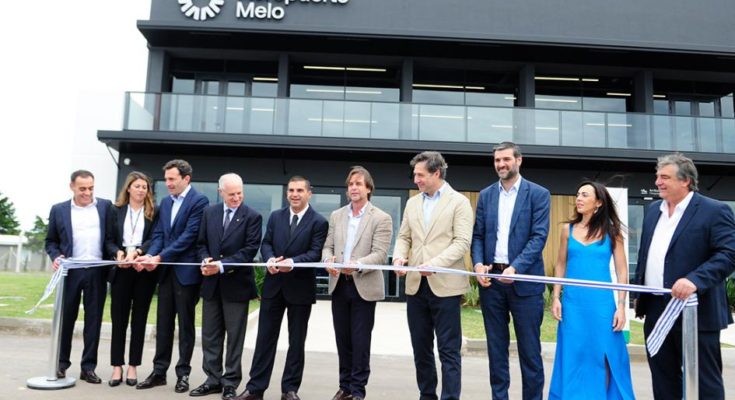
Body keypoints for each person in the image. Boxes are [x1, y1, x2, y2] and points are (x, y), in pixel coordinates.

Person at [634, 153, 735, 399]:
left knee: (704, 382)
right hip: (656, 308)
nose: (658, 182)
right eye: (657, 176)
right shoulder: (651, 211)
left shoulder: (713, 210)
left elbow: (730, 253)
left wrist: (695, 280)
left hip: (696, 310)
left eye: (665, 177)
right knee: (663, 378)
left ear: (685, 181)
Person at [235, 176, 329, 400]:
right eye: (291, 190)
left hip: (300, 288)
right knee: (264, 339)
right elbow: (266, 243)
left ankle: (290, 390)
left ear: (309, 193)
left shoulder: (318, 222)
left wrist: (292, 263)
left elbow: (316, 253)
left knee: (296, 342)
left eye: (299, 190)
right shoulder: (276, 216)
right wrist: (269, 260)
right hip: (274, 286)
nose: (294, 194)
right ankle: (255, 389)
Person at [470, 141, 550, 400]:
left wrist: (516, 267)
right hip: (492, 284)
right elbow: (478, 235)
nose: (501, 164)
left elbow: (538, 238)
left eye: (506, 159)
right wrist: (478, 264)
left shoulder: (538, 194)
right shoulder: (486, 195)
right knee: (496, 349)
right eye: (497, 160)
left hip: (524, 283)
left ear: (519, 160)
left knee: (529, 352)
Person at [392, 151, 473, 400]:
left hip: (445, 286)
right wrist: (398, 256)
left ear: (436, 173)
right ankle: (427, 395)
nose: (415, 179)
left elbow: (462, 242)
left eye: (420, 174)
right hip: (416, 286)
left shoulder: (459, 202)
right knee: (421, 349)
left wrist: (434, 264)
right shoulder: (413, 203)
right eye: (415, 174)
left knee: (448, 350)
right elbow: (404, 236)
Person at [548, 181, 634, 399]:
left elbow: (623, 272)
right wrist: (556, 297)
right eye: (577, 194)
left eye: (584, 195)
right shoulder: (566, 230)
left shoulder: (612, 232)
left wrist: (622, 307)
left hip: (602, 305)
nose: (578, 198)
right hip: (573, 304)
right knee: (573, 355)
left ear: (597, 203)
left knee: (604, 355)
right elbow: (560, 264)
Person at [135, 159, 210, 393]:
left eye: (171, 179)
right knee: (163, 324)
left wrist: (159, 257)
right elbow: (158, 234)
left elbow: (189, 236)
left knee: (185, 326)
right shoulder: (165, 203)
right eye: (166, 179)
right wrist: (149, 256)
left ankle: (183, 374)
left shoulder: (199, 201)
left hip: (186, 273)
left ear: (186, 179)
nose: (167, 183)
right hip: (166, 272)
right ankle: (159, 372)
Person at [322, 166, 393, 400]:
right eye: (350, 184)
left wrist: (358, 264)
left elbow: (380, 254)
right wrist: (327, 259)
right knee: (342, 339)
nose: (353, 187)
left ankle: (358, 391)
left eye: (358, 184)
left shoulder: (382, 218)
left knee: (360, 341)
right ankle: (344, 387)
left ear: (368, 189)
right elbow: (328, 246)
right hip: (339, 284)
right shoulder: (337, 215)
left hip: (363, 286)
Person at [190, 173, 263, 400]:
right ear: (220, 192)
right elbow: (201, 244)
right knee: (210, 336)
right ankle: (212, 379)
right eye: (231, 194)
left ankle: (230, 383)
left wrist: (220, 265)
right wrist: (205, 260)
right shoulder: (209, 213)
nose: (236, 198)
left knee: (234, 338)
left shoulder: (253, 216)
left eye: (239, 193)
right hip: (211, 285)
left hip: (236, 286)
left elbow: (249, 251)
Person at [45, 169, 114, 384]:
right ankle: (61, 365)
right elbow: (51, 241)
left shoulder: (105, 207)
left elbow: (111, 238)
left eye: (91, 188)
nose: (87, 192)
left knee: (93, 322)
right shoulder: (59, 210)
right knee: (66, 320)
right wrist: (56, 256)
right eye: (82, 188)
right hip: (70, 272)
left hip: (96, 272)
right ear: (72, 187)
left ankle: (88, 368)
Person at [104, 171, 159, 387]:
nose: (141, 190)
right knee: (119, 320)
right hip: (121, 270)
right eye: (137, 186)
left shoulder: (152, 212)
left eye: (144, 187)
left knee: (139, 320)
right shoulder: (115, 210)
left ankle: (133, 366)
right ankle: (117, 366)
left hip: (142, 270)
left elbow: (155, 238)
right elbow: (108, 240)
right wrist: (117, 253)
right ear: (128, 188)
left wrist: (139, 252)